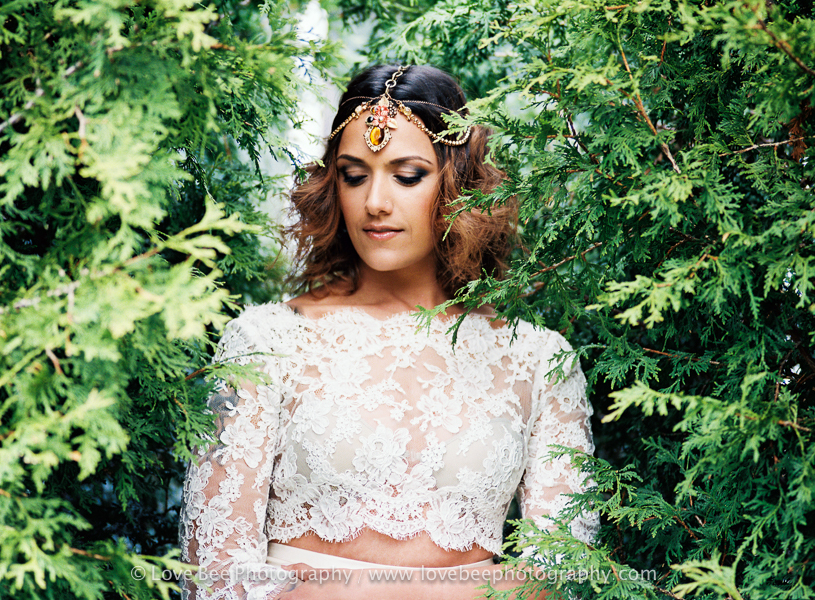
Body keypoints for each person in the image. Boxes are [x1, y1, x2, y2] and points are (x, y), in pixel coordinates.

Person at [179, 65, 597, 599]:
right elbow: (215, 574)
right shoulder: (267, 342)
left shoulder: (537, 360)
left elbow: (562, 574)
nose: (375, 201)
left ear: (458, 184)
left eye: (406, 175)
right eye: (355, 175)